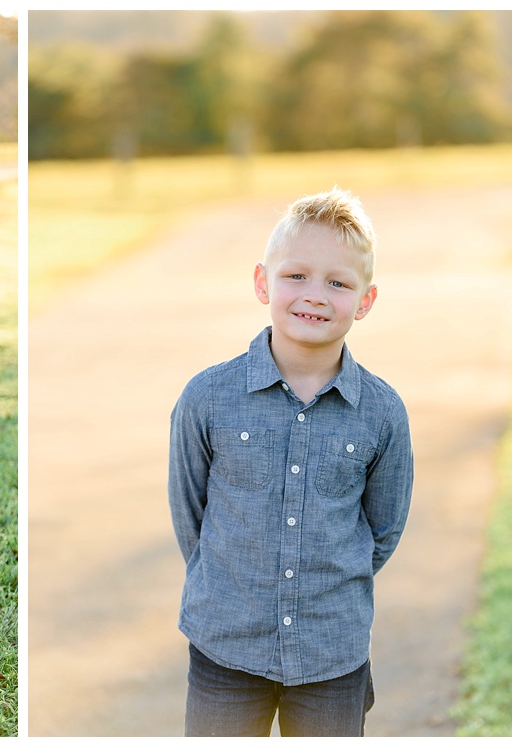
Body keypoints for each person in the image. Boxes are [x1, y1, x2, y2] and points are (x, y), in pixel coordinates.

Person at [167, 188, 413, 736]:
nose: (315, 296)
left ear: (365, 300)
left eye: (338, 282)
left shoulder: (382, 413)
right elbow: (191, 515)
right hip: (225, 646)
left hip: (332, 656)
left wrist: (325, 588)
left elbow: (383, 529)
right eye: (296, 276)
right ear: (263, 283)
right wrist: (233, 586)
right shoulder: (208, 397)